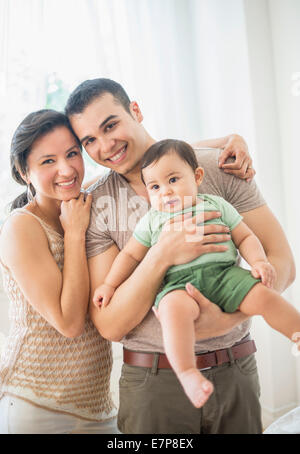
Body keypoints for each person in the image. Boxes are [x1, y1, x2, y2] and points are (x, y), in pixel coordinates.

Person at [65, 78, 295, 434]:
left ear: (135, 111)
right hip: (152, 385)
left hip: (235, 370)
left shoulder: (218, 168)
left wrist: (228, 319)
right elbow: (109, 323)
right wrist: (163, 253)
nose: (106, 145)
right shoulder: (97, 206)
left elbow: (282, 261)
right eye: (89, 140)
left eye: (111, 125)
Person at [93, 138, 300, 409]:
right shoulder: (153, 220)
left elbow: (245, 236)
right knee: (171, 311)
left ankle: (296, 331)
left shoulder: (215, 204)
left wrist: (259, 262)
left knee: (264, 296)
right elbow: (130, 255)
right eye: (155, 187)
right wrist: (109, 284)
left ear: (197, 176)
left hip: (224, 275)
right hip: (179, 285)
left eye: (173, 180)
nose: (165, 192)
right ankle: (187, 373)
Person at [0, 110, 118, 434]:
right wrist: (75, 234)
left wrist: (226, 142)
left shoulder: (84, 200)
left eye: (72, 154)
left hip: (97, 406)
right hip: (36, 407)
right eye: (47, 161)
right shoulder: (21, 226)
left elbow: (145, 162)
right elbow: (69, 323)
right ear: (25, 172)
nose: (66, 169)